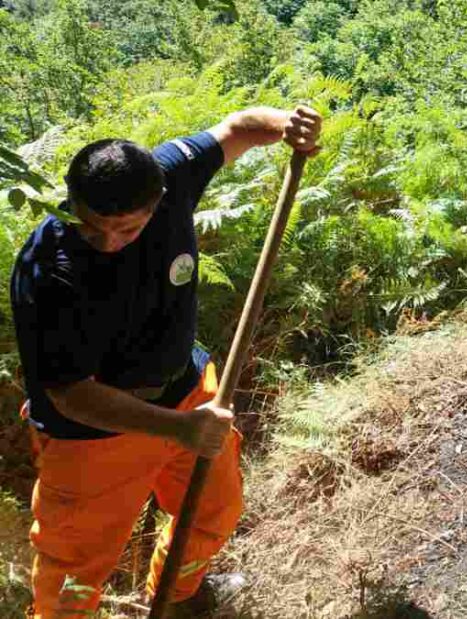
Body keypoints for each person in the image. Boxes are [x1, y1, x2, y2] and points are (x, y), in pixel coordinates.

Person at [10, 105, 322, 618]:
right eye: (94, 228)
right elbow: (71, 393)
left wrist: (289, 126)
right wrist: (179, 430)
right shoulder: (47, 269)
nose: (110, 242)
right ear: (72, 204)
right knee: (73, 575)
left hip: (187, 392)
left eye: (127, 229)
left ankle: (177, 596)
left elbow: (238, 129)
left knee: (210, 515)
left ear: (158, 201)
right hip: (90, 440)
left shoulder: (170, 174)